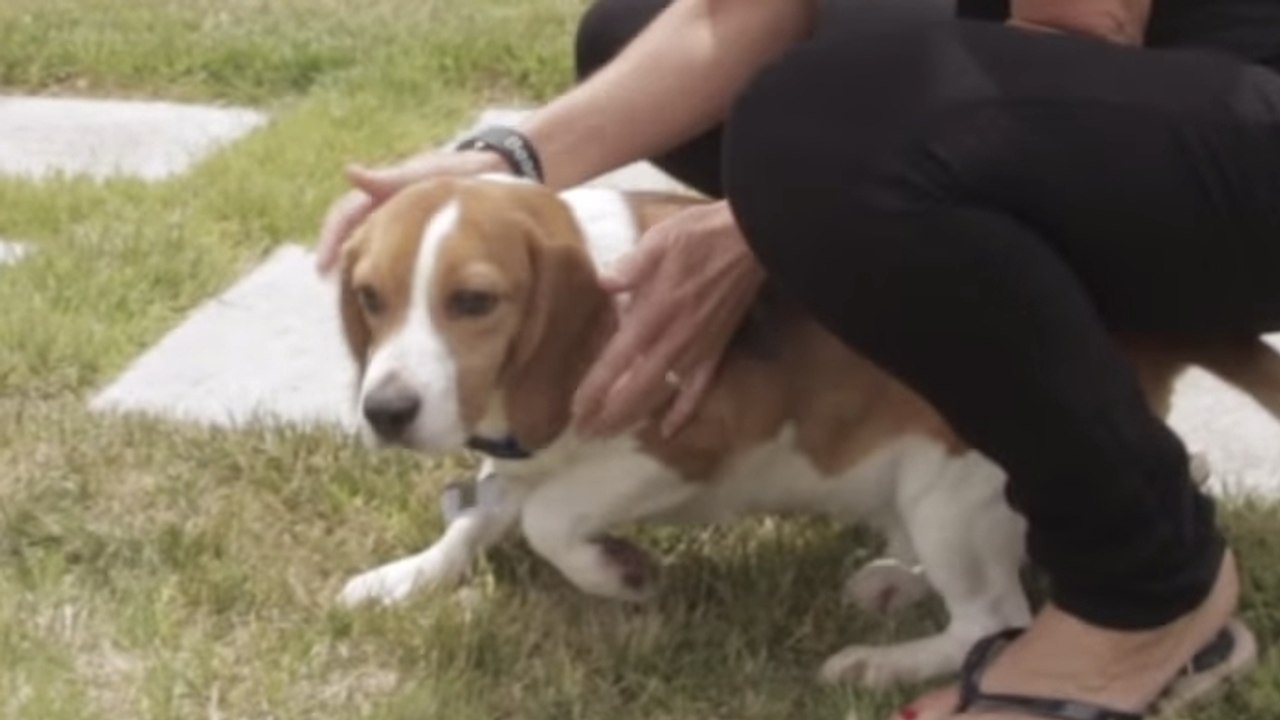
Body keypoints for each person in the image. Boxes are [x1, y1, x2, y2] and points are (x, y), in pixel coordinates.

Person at [317, 0, 1280, 717]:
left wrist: (779, 213)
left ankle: (1147, 588)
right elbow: (731, 13)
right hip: (1135, 92)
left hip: (1242, 113)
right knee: (631, 36)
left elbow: (1080, 31)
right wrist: (506, 162)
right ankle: (1037, 387)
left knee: (811, 122)